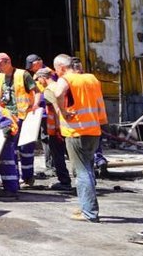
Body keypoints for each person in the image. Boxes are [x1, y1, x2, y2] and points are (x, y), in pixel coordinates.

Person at [47, 53, 108, 222]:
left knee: (82, 173)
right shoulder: (91, 78)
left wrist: (63, 111)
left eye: (56, 69)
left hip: (76, 132)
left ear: (61, 67)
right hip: (94, 131)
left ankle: (89, 213)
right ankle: (86, 206)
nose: (56, 72)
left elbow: (58, 93)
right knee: (87, 169)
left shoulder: (66, 79)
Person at [0, 52, 38, 186]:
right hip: (8, 116)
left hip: (24, 116)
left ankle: (28, 177)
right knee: (11, 149)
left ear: (8, 62)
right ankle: (15, 178)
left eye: (0, 64)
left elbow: (36, 91)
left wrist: (35, 106)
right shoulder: (0, 77)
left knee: (25, 148)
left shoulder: (23, 74)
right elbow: (1, 94)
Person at [32, 66, 72, 190]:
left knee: (58, 156)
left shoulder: (49, 90)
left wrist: (58, 129)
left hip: (56, 130)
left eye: (39, 79)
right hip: (68, 127)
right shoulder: (59, 86)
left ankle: (64, 182)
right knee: (72, 155)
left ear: (43, 78)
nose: (39, 83)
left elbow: (56, 110)